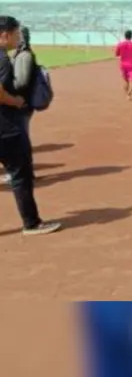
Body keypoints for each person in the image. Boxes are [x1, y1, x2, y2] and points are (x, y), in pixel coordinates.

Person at [0, 16, 60, 235]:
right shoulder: (2, 59)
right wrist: (15, 101)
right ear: (4, 35)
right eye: (16, 34)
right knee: (20, 175)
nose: (18, 38)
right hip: (6, 128)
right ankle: (31, 223)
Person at [13, 26, 35, 136]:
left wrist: (6, 87)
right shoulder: (19, 54)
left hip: (23, 100)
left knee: (21, 131)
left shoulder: (25, 55)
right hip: (19, 100)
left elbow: (22, 81)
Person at [114, 30, 132, 101]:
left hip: (123, 65)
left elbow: (117, 54)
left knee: (126, 81)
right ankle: (129, 94)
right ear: (131, 36)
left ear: (125, 36)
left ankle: (127, 95)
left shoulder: (120, 44)